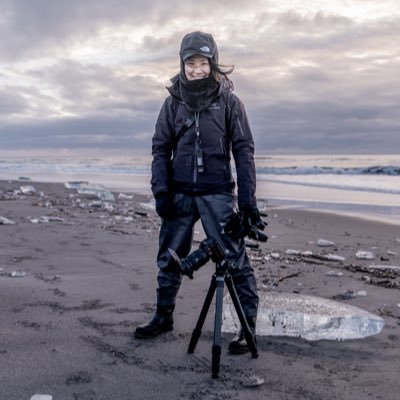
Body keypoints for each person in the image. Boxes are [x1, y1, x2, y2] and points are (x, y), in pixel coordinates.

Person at [135, 31, 265, 355]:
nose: (196, 69)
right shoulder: (172, 103)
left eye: (202, 63)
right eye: (190, 63)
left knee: (234, 259)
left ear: (213, 64)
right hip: (178, 194)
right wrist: (161, 192)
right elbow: (160, 149)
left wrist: (247, 204)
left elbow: (244, 151)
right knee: (169, 258)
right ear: (182, 64)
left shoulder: (230, 103)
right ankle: (163, 316)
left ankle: (246, 327)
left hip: (217, 193)